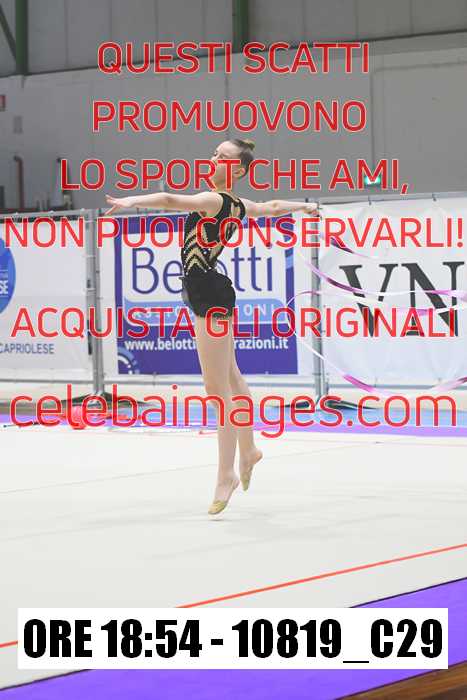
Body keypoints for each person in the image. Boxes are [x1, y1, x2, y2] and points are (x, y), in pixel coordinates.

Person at [105, 138, 319, 515]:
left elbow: (170, 200)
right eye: (215, 153)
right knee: (231, 377)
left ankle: (226, 473)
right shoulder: (237, 204)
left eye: (223, 156)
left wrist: (131, 201)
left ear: (238, 169)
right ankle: (248, 450)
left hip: (209, 295)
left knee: (216, 387)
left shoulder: (215, 200)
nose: (213, 158)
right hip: (206, 291)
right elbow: (270, 207)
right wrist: (303, 205)